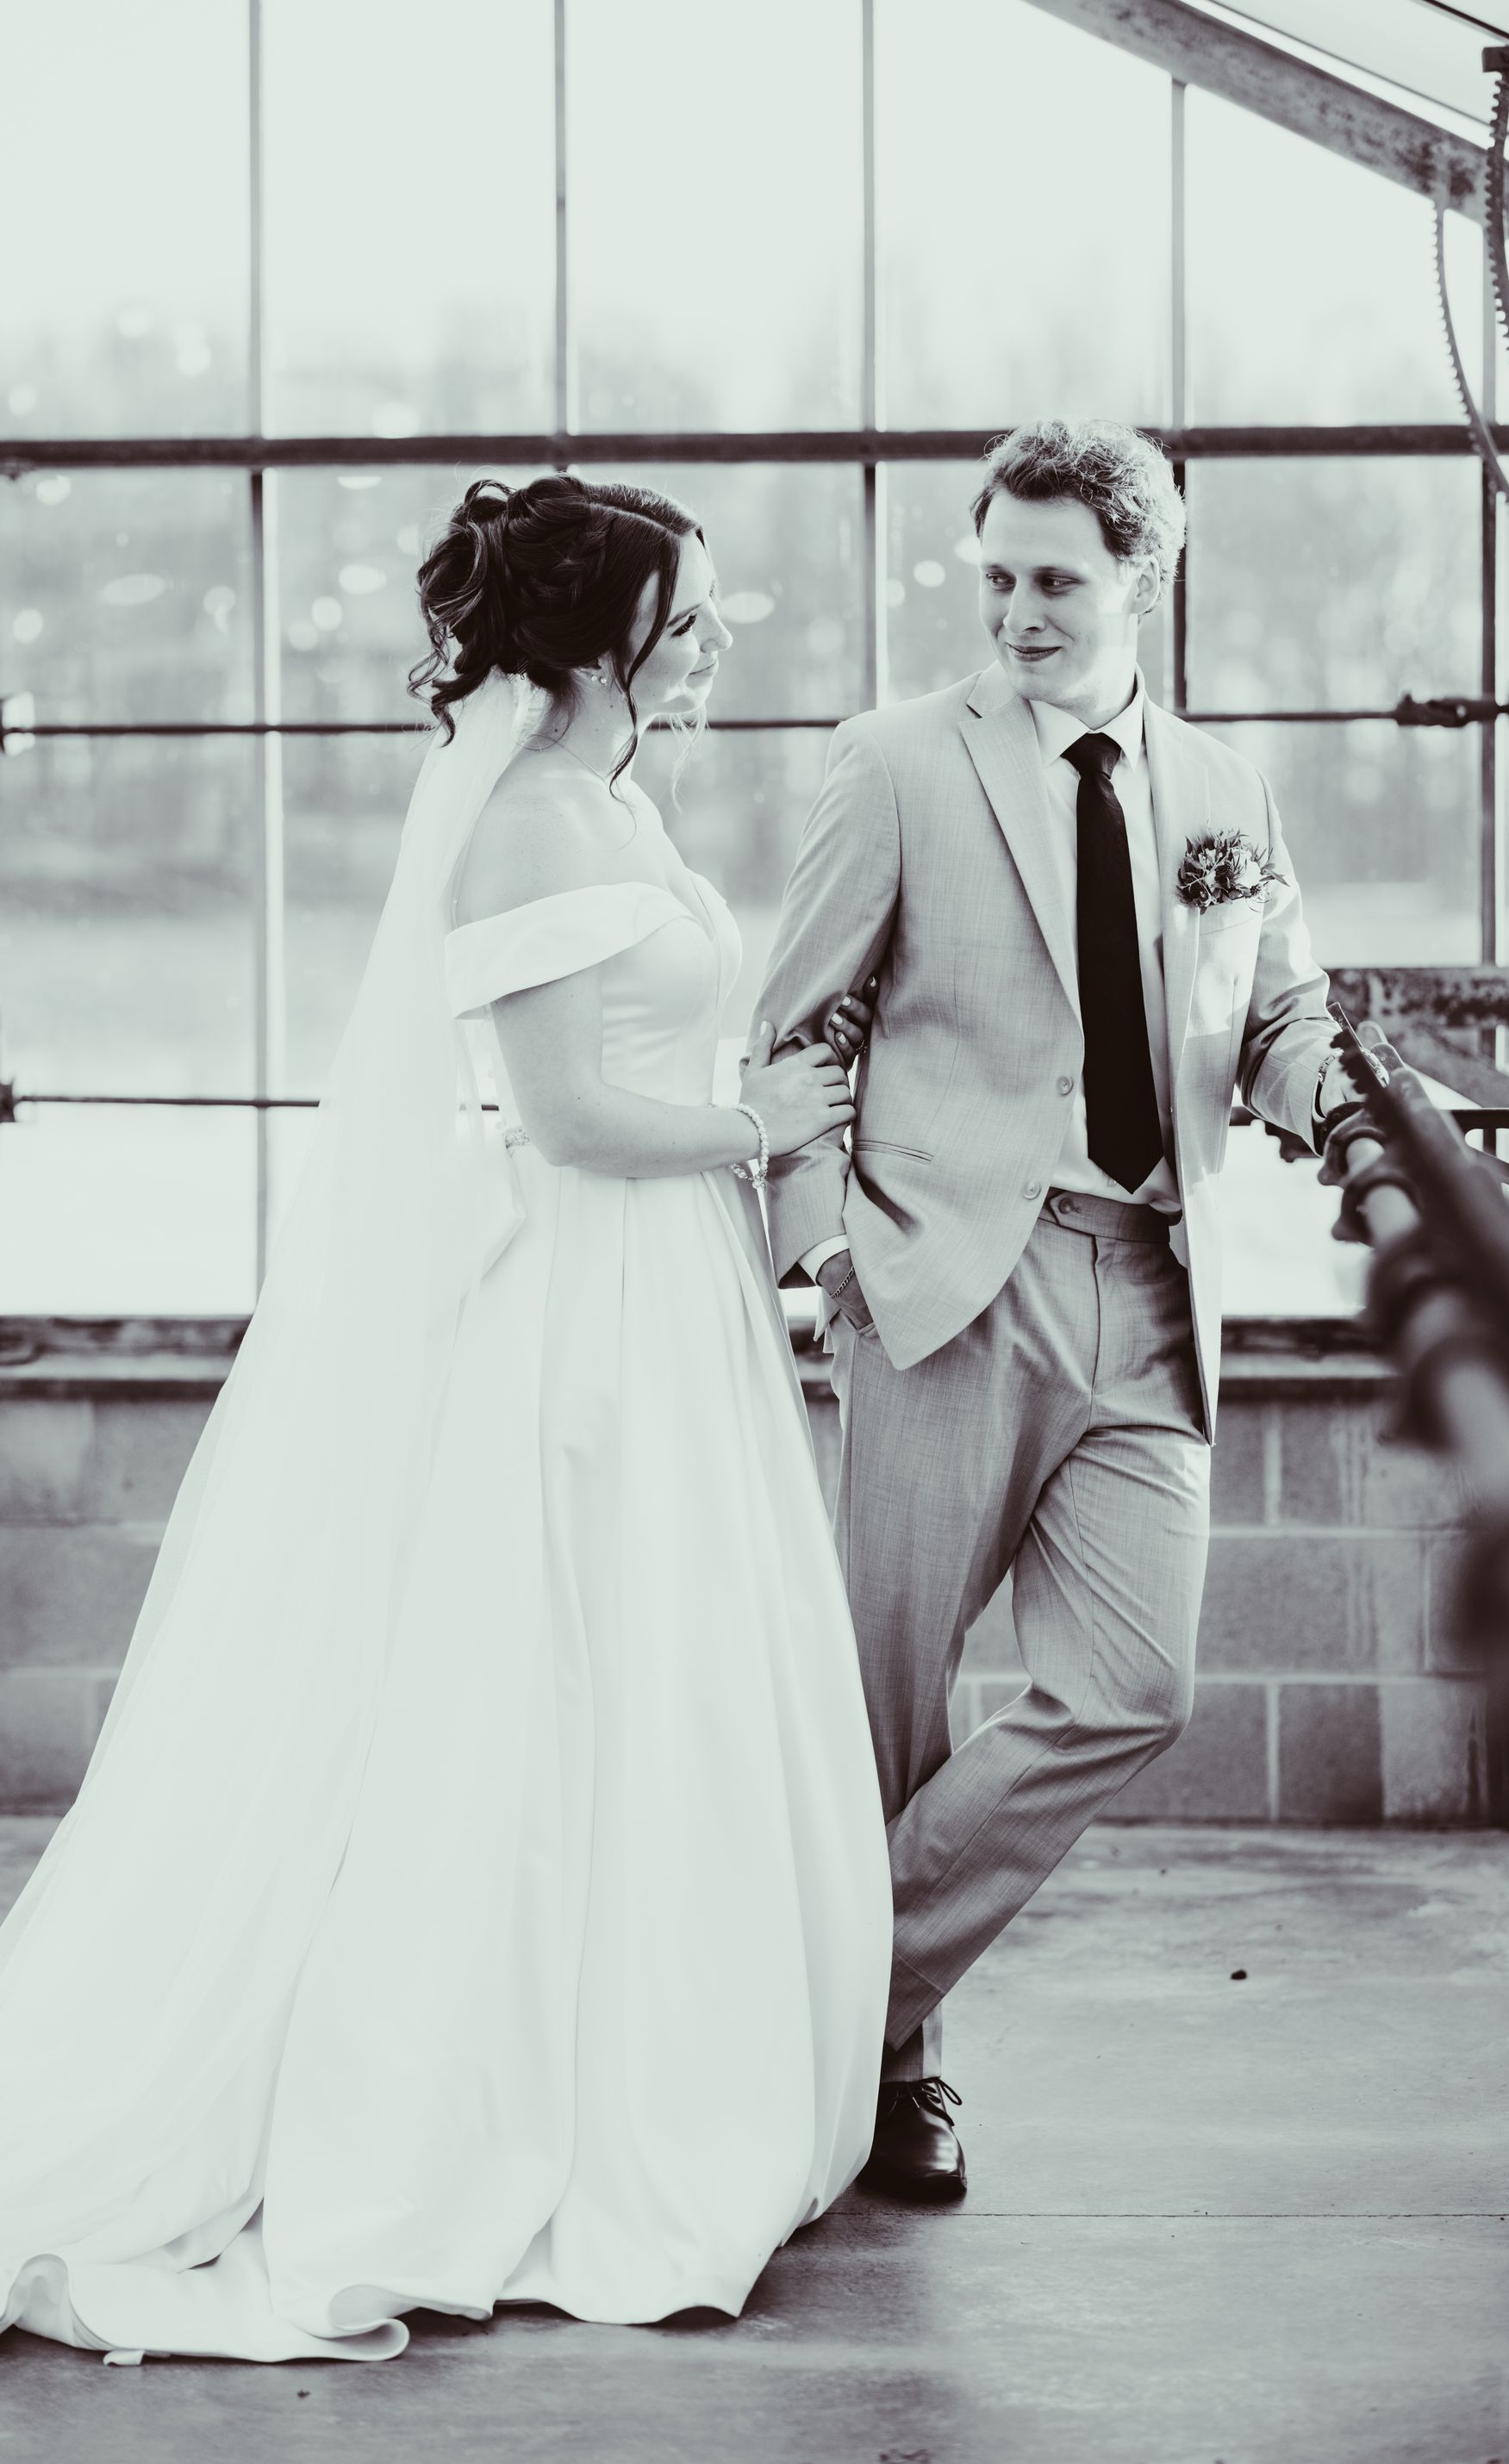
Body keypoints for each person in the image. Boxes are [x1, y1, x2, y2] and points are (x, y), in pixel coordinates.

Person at [0, 474, 891, 2363]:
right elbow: (569, 1115)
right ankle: (496, 2121)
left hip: (671, 1290)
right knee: (548, 1668)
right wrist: (767, 1131)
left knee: (653, 1672)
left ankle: (641, 2054)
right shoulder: (525, 824)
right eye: (691, 612)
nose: (720, 638)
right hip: (592, 1289)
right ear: (592, 637)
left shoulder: (614, 801)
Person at [752, 418, 1352, 2203]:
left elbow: (1278, 1018)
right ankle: (901, 2080)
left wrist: (1338, 1105)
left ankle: (831, 2005)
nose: (1015, 612)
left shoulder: (1230, 792)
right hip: (944, 1287)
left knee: (1134, 1686)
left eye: (1053, 582)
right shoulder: (893, 763)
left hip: (1153, 1293)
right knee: (891, 1707)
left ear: (1144, 577)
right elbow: (790, 1035)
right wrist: (832, 1253)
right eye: (995, 576)